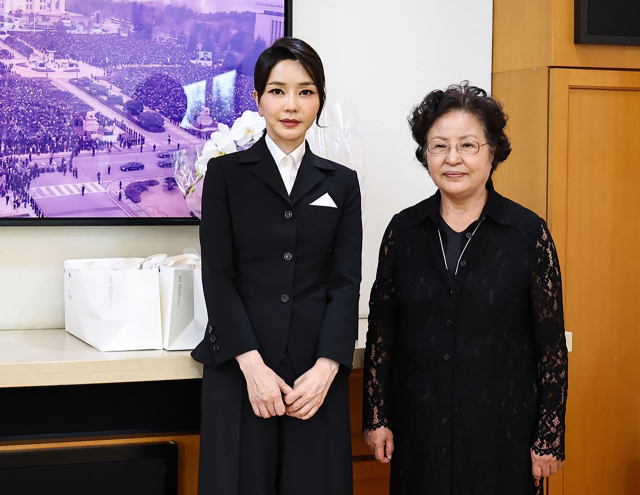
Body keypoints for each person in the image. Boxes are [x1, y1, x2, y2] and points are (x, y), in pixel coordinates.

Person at [362, 83, 568, 495]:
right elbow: (382, 333)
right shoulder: (403, 231)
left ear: (493, 153)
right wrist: (377, 416)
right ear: (425, 154)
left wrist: (549, 435)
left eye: (468, 145)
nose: (452, 158)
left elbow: (550, 347)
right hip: (419, 434)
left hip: (502, 436)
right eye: (439, 146)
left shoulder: (528, 234)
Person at [192, 37, 362, 495]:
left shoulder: (341, 183)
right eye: (277, 91)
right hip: (239, 367)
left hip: (314, 377)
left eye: (306, 92)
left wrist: (328, 367)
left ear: (319, 100)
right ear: (257, 99)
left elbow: (346, 283)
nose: (291, 105)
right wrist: (252, 366)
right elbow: (218, 277)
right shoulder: (225, 176)